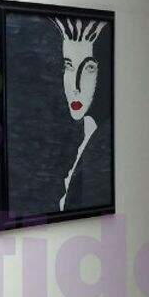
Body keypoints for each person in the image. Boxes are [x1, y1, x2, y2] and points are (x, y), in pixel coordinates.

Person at [51, 17, 112, 212]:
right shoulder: (79, 137)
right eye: (69, 66)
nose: (75, 86)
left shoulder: (105, 143)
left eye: (89, 68)